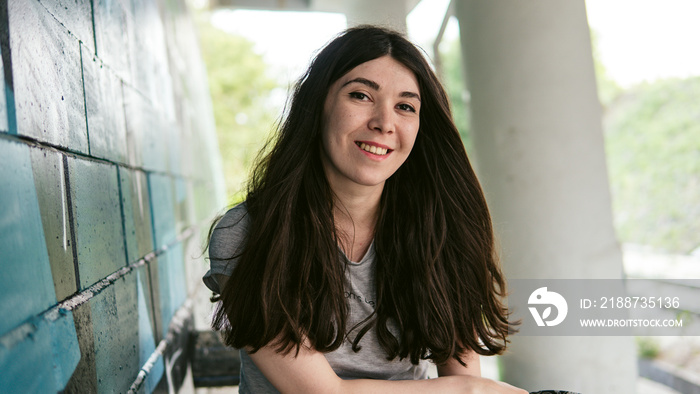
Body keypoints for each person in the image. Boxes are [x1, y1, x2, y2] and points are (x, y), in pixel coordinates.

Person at [204, 25, 526, 393]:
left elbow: (464, 377)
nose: (384, 123)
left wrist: (471, 389)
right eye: (360, 95)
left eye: (405, 106)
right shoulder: (248, 234)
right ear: (318, 105)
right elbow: (323, 393)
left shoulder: (440, 230)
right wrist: (474, 391)